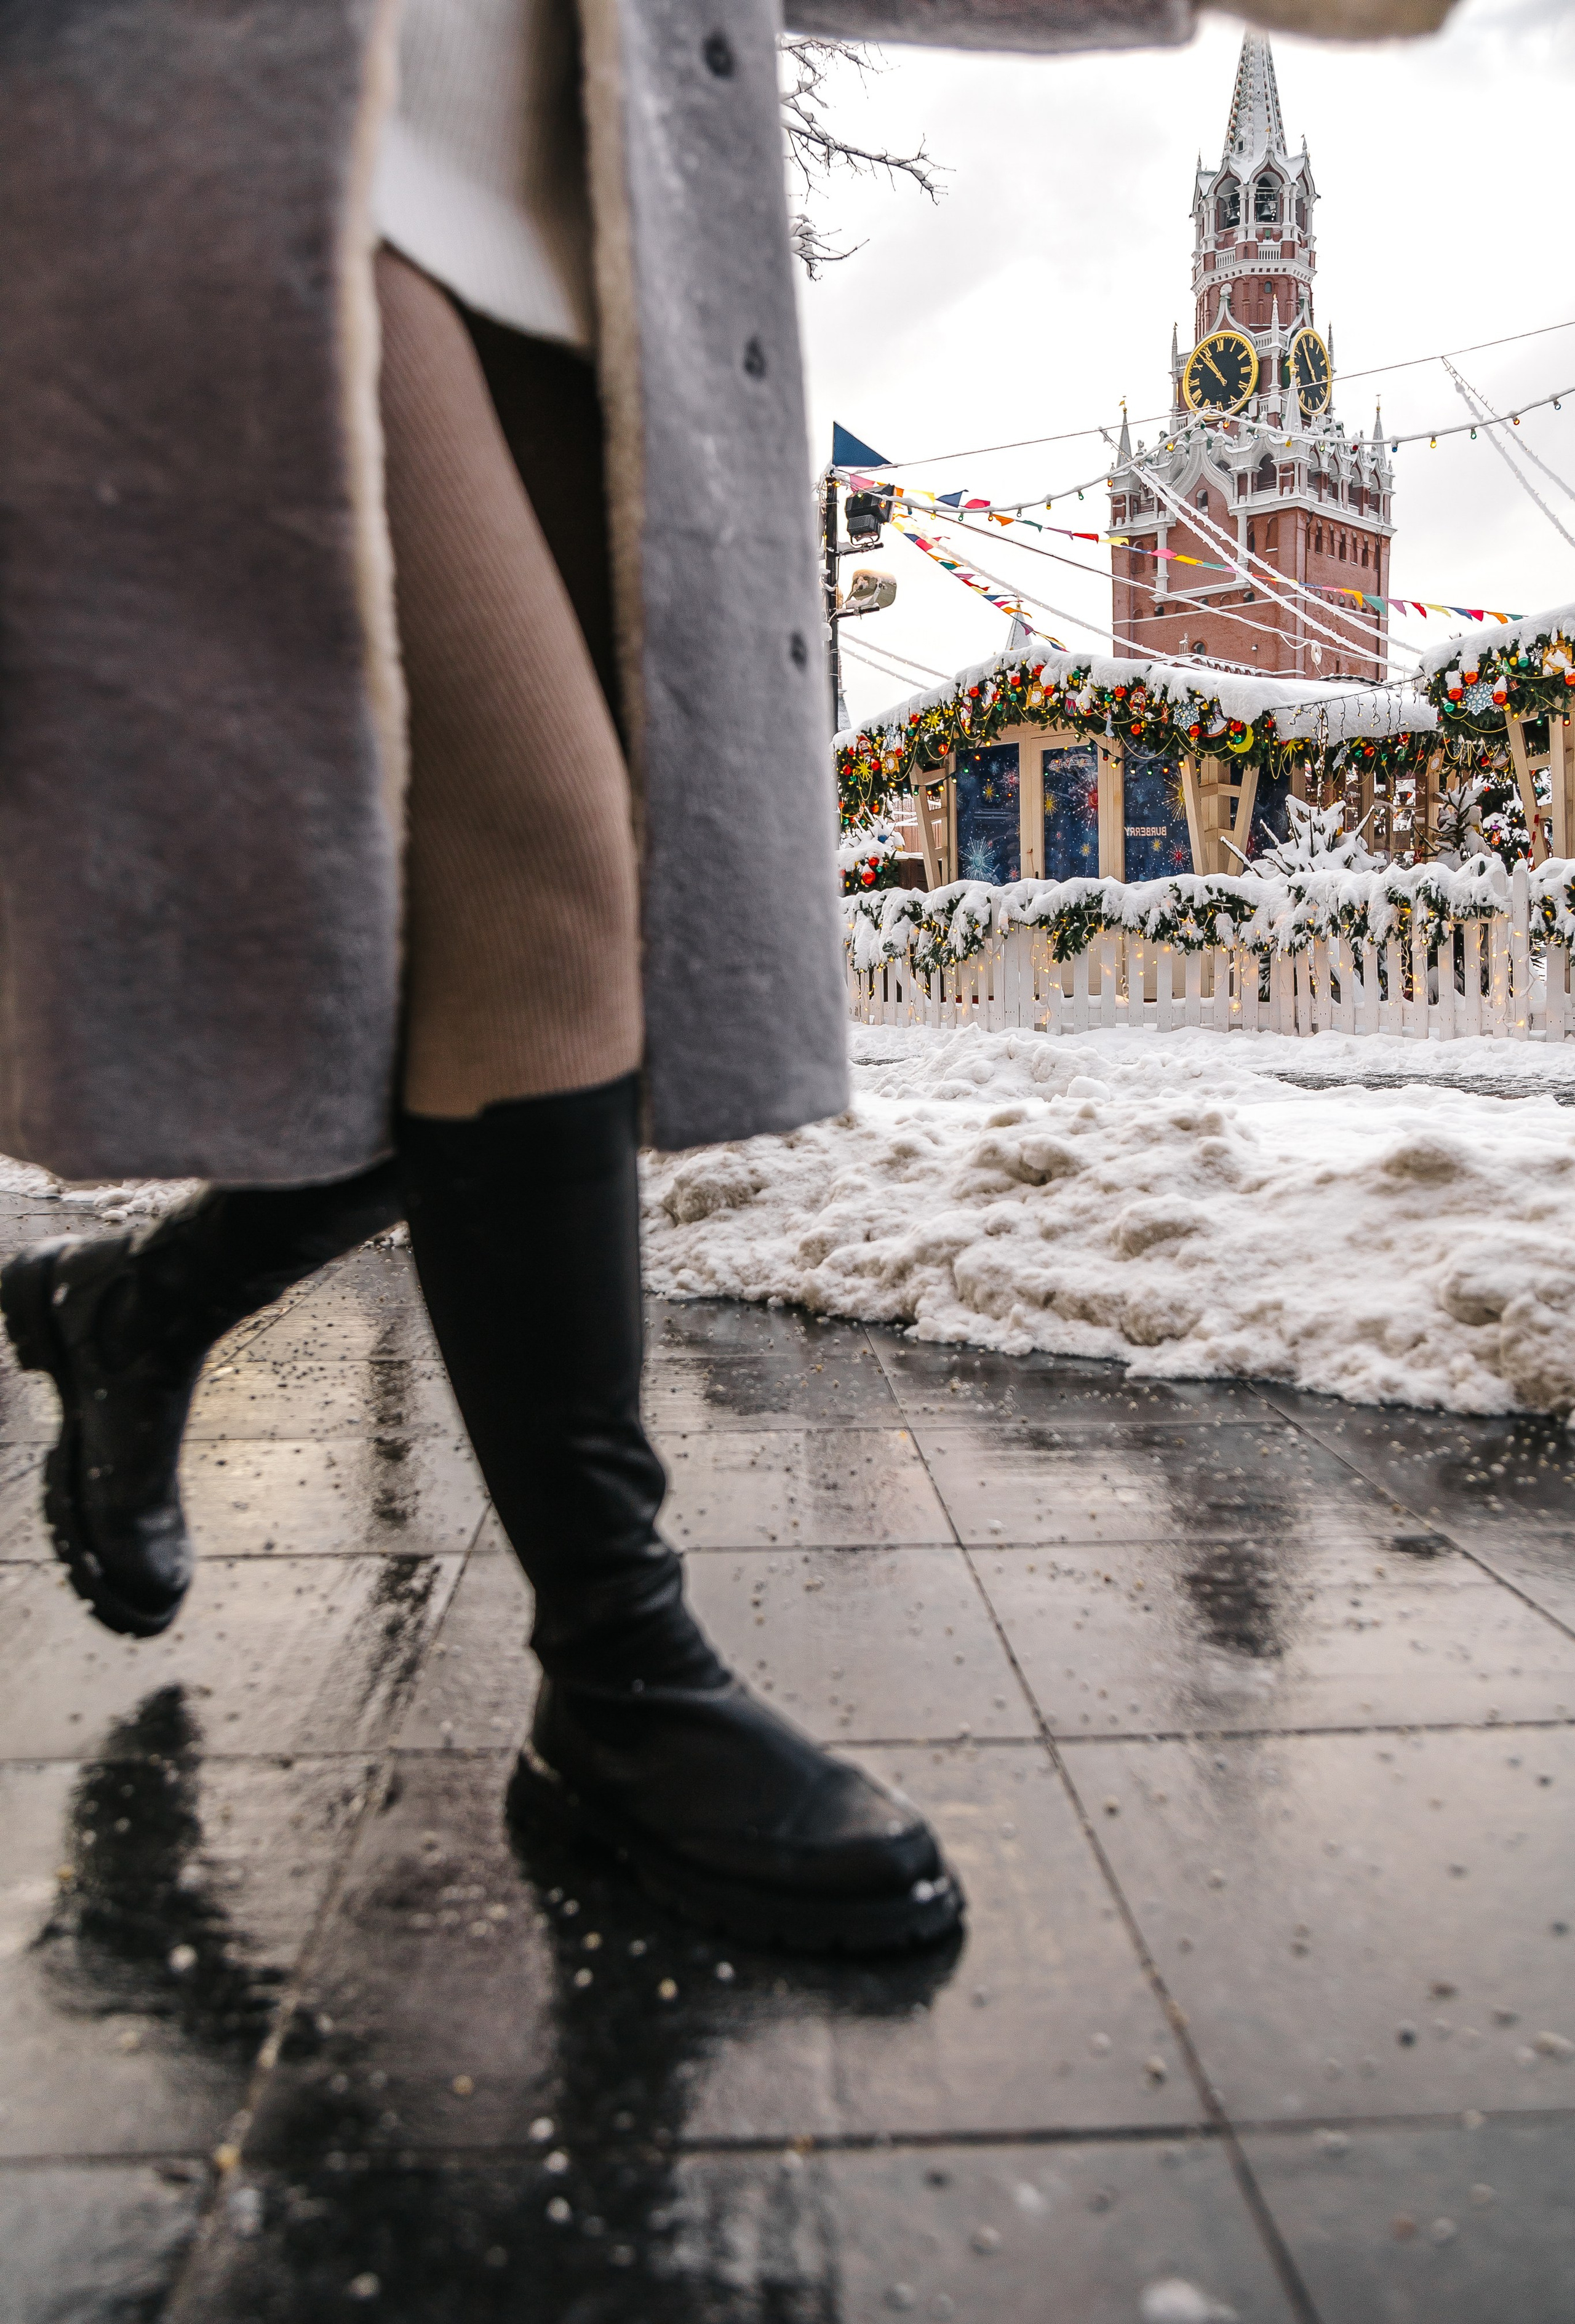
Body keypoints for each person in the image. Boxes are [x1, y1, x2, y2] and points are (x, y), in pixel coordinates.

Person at [0, 0, 1445, 1953]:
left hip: (570, 185)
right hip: (223, 115)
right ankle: (621, 1673)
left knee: (562, 979)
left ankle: (144, 1308)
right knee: (549, 868)